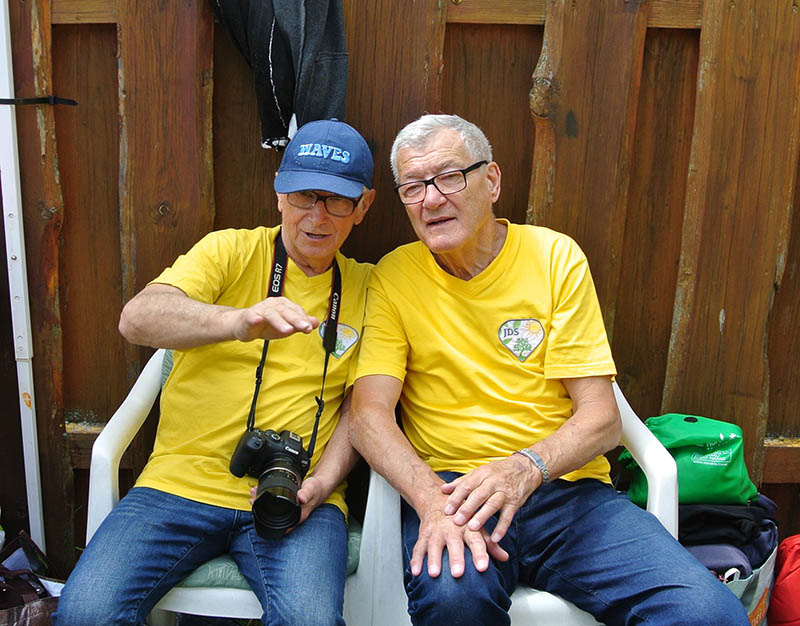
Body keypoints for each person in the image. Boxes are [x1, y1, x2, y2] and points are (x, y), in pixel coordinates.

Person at [349, 113, 749, 625]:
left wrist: (524, 469)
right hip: (456, 497)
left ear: (492, 180)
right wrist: (430, 502)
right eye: (413, 187)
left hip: (566, 491)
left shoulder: (555, 257)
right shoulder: (395, 276)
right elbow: (368, 416)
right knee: (453, 601)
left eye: (449, 177)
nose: (431, 199)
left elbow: (602, 418)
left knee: (706, 613)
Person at [54, 118, 376, 626]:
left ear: (363, 206)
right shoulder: (229, 250)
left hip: (297, 498)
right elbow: (137, 319)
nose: (317, 216)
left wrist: (321, 483)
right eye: (303, 195)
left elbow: (363, 410)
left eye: (336, 200)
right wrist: (237, 322)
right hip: (178, 486)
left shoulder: (371, 288)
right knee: (85, 613)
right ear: (279, 193)